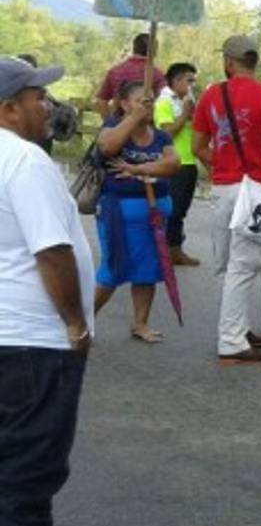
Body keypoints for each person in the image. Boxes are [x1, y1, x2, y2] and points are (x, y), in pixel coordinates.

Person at [0, 56, 93, 526]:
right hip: (34, 339)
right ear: (10, 109)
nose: (48, 105)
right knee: (30, 464)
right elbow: (51, 252)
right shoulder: (24, 163)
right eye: (38, 96)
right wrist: (76, 323)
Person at [192, 36, 261, 364]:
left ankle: (238, 327)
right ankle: (231, 341)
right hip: (254, 190)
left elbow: (197, 145)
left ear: (229, 63)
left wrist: (219, 166)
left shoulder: (210, 95)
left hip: (223, 188)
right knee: (245, 265)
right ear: (253, 62)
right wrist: (258, 169)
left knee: (233, 263)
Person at [92, 81, 180, 344]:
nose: (148, 104)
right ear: (124, 104)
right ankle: (83, 320)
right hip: (118, 211)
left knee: (148, 268)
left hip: (155, 211)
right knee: (113, 267)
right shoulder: (112, 128)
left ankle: (140, 323)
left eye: (151, 100)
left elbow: (173, 164)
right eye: (141, 100)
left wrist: (138, 169)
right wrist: (133, 120)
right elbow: (107, 148)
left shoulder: (161, 136)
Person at [153, 62, 201, 266]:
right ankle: (170, 250)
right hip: (174, 162)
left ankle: (173, 247)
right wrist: (184, 114)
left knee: (180, 209)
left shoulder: (185, 101)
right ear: (176, 80)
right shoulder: (164, 102)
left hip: (189, 160)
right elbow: (166, 132)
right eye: (189, 81)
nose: (191, 85)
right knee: (173, 209)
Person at [96, 33, 166, 120]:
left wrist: (109, 122)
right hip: (145, 126)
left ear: (134, 48)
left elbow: (101, 101)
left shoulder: (115, 71)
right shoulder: (156, 74)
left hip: (119, 123)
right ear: (154, 51)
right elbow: (164, 102)